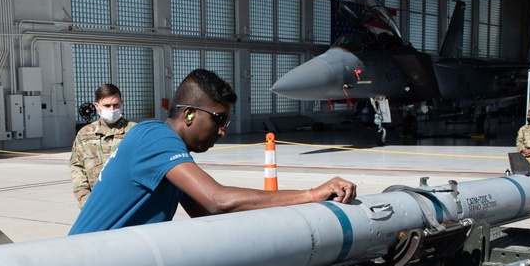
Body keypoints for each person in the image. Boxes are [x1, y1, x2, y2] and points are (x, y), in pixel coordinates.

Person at [70, 69, 356, 235]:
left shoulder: (165, 152)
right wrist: (310, 195)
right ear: (191, 114)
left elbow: (207, 213)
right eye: (219, 119)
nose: (223, 131)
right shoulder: (154, 137)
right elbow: (217, 200)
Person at [69, 84, 135, 207]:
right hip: (94, 203)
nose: (112, 109)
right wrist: (85, 198)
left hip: (127, 203)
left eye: (116, 105)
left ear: (121, 104)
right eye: (107, 106)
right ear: (97, 106)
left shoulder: (134, 131)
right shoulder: (85, 134)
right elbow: (77, 167)